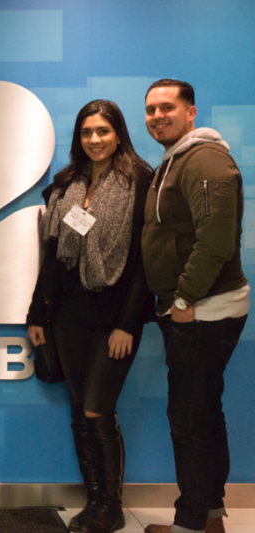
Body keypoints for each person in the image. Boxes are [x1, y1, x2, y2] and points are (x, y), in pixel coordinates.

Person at [27, 100, 153, 533]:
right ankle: (95, 501)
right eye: (86, 132)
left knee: (99, 410)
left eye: (102, 131)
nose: (94, 140)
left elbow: (142, 264)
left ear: (118, 133)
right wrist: (37, 315)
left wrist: (128, 324)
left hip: (111, 319)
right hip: (67, 316)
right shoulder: (66, 184)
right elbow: (50, 259)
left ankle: (111, 505)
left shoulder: (141, 182)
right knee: (80, 410)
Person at [141, 80, 249, 533]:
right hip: (195, 308)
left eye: (167, 107)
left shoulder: (204, 158)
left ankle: (191, 524)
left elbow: (218, 239)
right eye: (150, 109)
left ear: (191, 112)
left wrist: (185, 296)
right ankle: (207, 519)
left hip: (203, 310)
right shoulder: (176, 159)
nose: (157, 115)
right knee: (201, 413)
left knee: (189, 419)